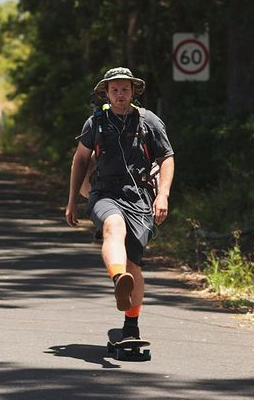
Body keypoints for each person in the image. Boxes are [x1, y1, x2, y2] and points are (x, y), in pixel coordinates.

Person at [65, 67, 175, 341]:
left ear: (133, 91)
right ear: (106, 93)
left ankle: (131, 325)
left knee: (134, 264)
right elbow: (80, 160)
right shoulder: (96, 123)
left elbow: (166, 158)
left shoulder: (149, 122)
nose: (120, 94)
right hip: (104, 193)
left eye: (124, 88)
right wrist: (71, 202)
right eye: (114, 89)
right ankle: (118, 280)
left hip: (139, 197)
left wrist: (163, 195)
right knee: (114, 227)